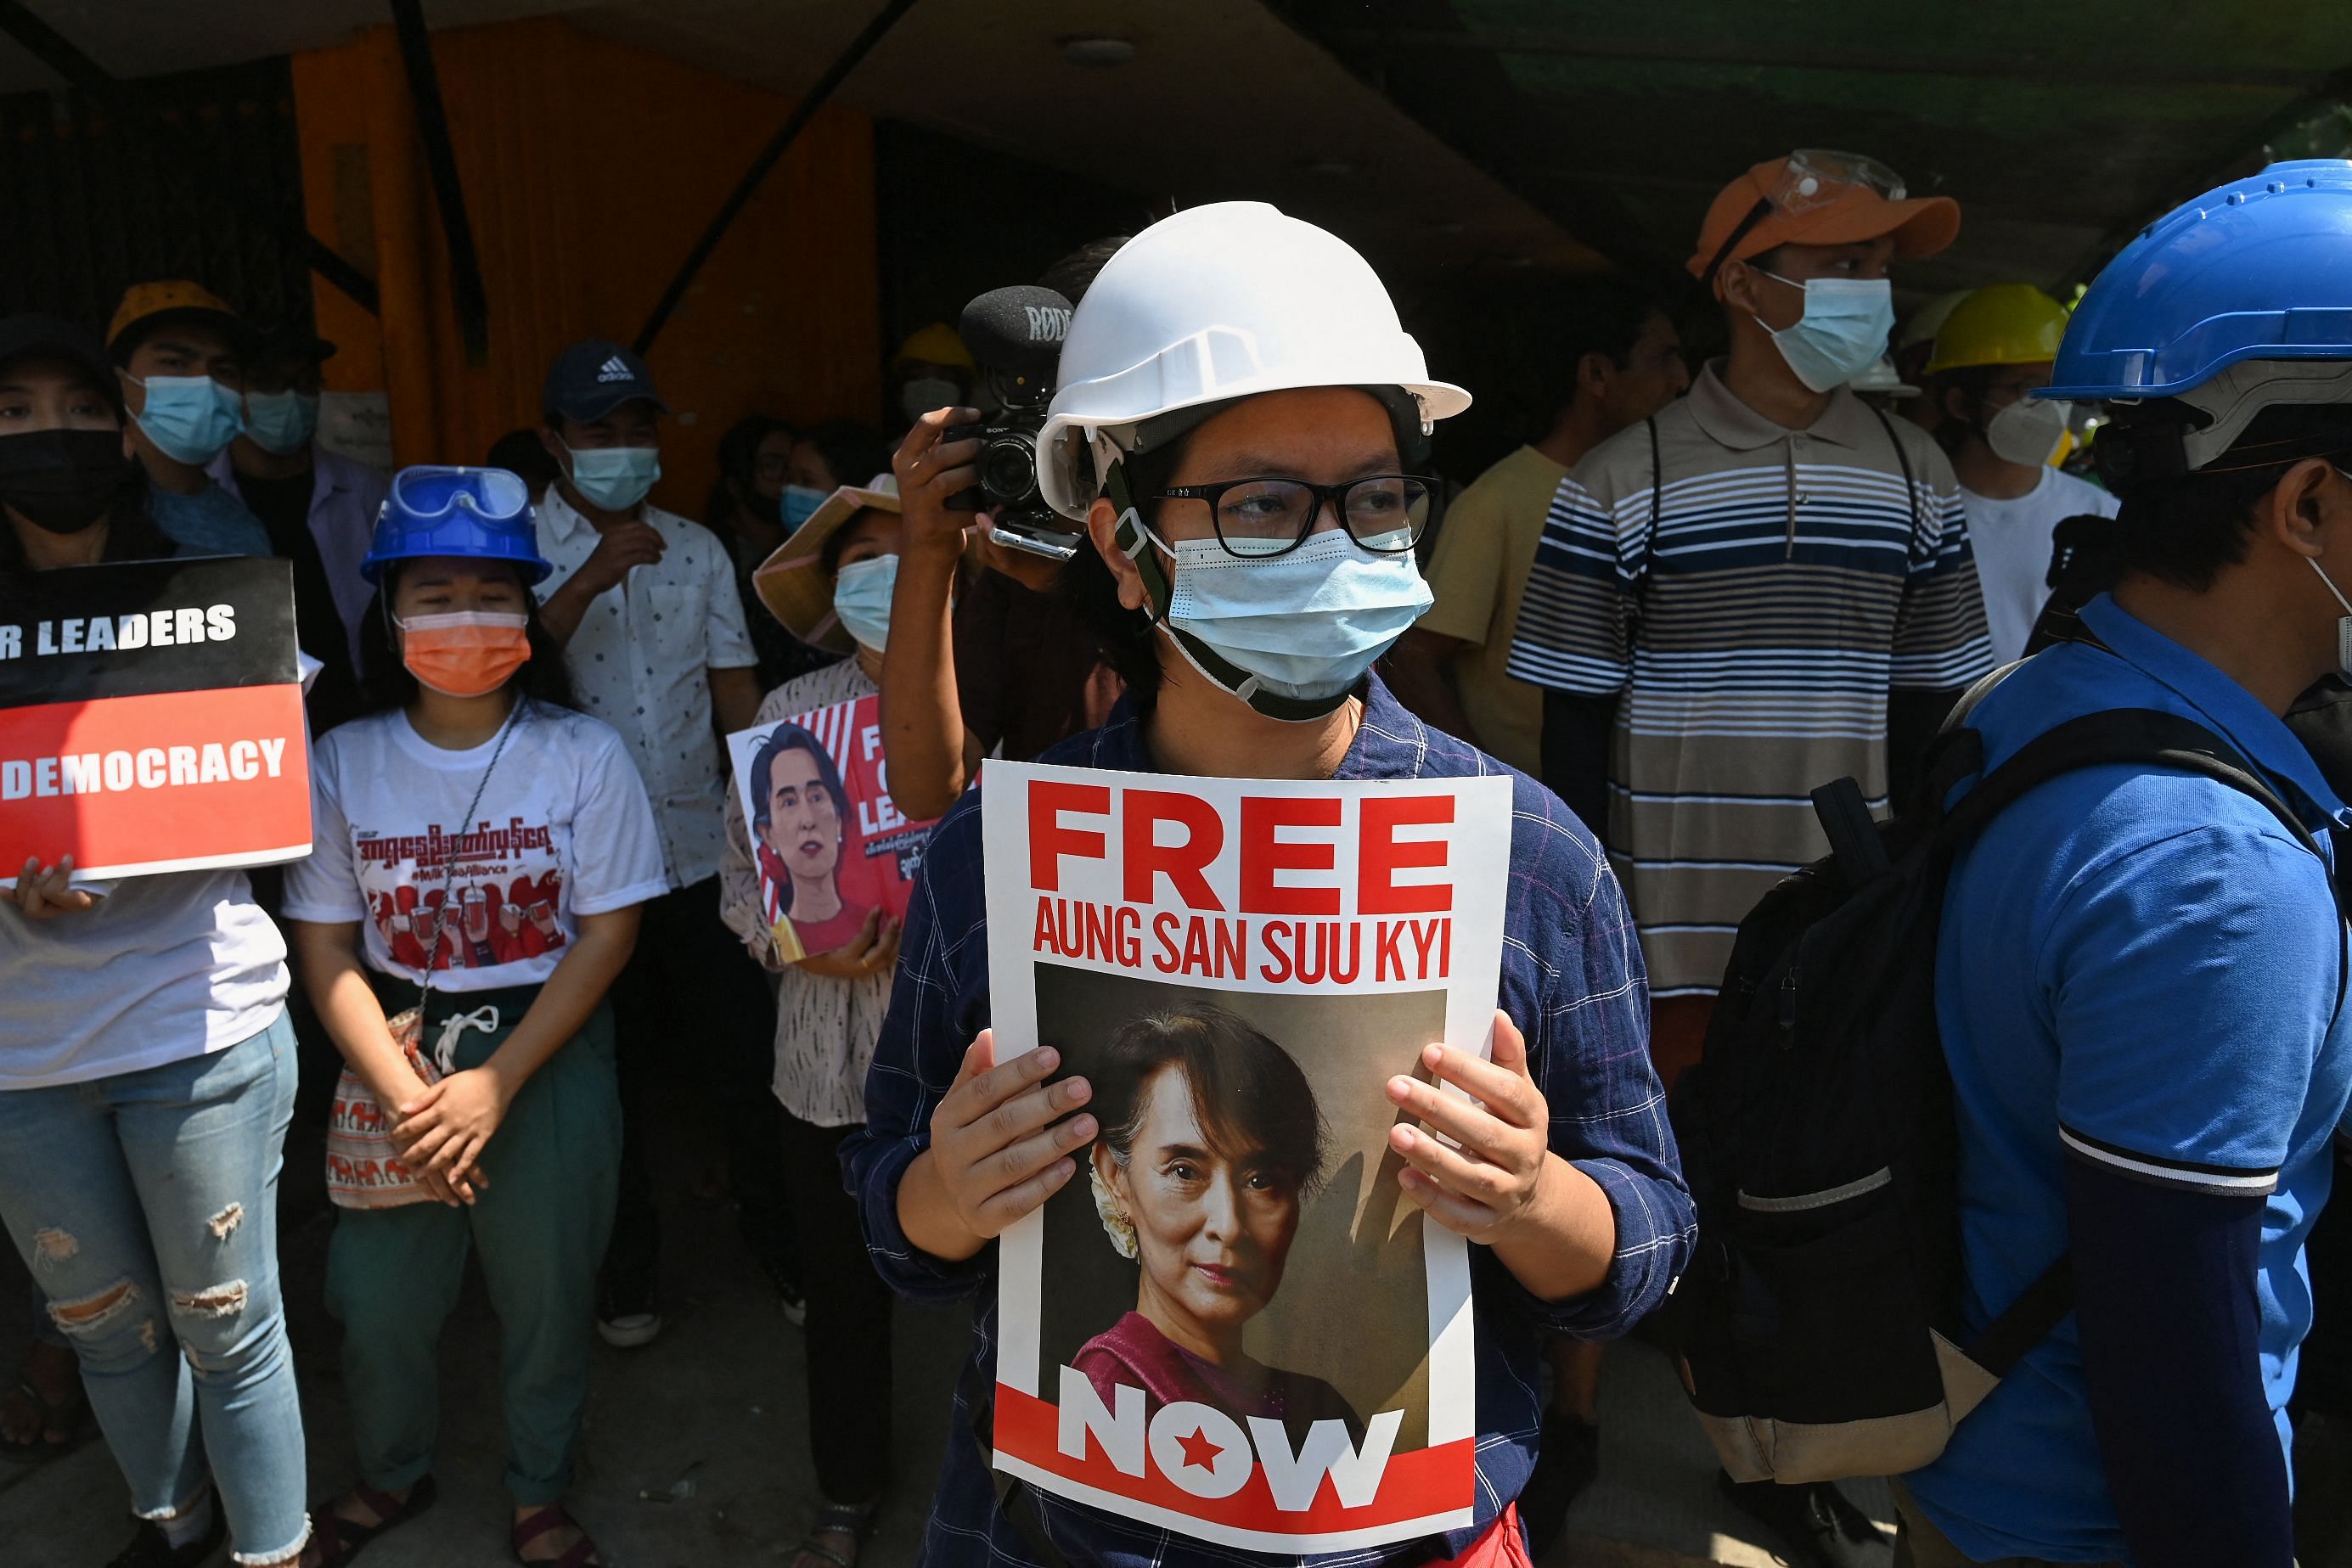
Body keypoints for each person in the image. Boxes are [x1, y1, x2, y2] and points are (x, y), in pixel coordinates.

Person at [844, 200, 1693, 1566]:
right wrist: (945, 1188)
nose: (1329, 540)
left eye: (1370, 497)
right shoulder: (995, 856)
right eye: (1254, 505)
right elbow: (891, 1218)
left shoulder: (1526, 854)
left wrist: (1532, 1197)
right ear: (1121, 543)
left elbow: (1642, 1241)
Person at [1505, 151, 1987, 1568]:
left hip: (1836, 945)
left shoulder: (1918, 479)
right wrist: (1572, 943)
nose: (1871, 294)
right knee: (1613, 1192)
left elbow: (1935, 731)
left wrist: (1914, 926)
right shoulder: (1619, 482)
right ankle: (1567, 1434)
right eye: (1841, 262)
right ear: (1740, 283)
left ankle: (1775, 1458)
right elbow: (1572, 742)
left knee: (1804, 1215)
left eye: (1885, 265)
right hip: (1657, 934)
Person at [1898, 160, 2352, 1568]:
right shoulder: (2210, 872)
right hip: (2091, 1526)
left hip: (1969, 1479)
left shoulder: (2050, 689)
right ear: (2311, 505)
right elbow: (2178, 1351)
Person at [283, 466, 665, 1568]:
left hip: (545, 1045)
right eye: (434, 591)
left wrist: (496, 1082)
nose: (464, 616)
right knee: (377, 1298)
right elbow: (325, 947)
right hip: (393, 1047)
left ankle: (539, 1490)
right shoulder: (342, 761)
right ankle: (391, 1470)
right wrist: (408, 1096)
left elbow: (607, 934)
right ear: (389, 609)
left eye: (491, 591)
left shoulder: (582, 754)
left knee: (549, 1291)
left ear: (527, 608)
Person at [0, 312, 308, 1568]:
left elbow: (268, 770)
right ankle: (168, 1527)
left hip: (201, 1021)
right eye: (13, 412)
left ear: (120, 428)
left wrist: (178, 815)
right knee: (105, 1328)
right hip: (25, 1058)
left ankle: (271, 1547)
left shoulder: (212, 582)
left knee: (226, 1325)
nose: (51, 436)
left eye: (76, 407)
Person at [527, 337, 785, 1346]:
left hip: (695, 852)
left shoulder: (699, 547)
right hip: (576, 874)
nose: (624, 449)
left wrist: (776, 829)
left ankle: (783, 1247)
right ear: (555, 441)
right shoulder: (513, 543)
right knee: (605, 1086)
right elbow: (494, 672)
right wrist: (586, 578)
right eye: (600, 432)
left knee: (747, 1063)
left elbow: (734, 694)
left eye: (640, 430)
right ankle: (624, 1276)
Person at [719, 474, 906, 1568]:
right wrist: (799, 941)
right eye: (858, 561)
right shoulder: (788, 719)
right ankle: (846, 1498)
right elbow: (740, 879)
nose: (880, 576)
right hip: (823, 1057)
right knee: (842, 1294)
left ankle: (1014, 1490)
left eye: (902, 553)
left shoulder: (991, 706)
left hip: (971, 1055)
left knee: (996, 1287)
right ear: (833, 592)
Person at [1385, 275, 1689, 778]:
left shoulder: (1664, 489)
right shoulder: (1497, 501)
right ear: (1596, 374)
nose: (1683, 380)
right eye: (1662, 358)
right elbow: (1416, 660)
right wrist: (1496, 786)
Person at [882, 238, 1134, 821]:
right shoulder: (1015, 571)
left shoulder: (1226, 540)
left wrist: (1080, 591)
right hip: (1057, 902)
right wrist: (927, 545)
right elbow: (926, 787)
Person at [1074, 1003, 1359, 1443]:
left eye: (1260, 1181)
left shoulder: (1318, 1407)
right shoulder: (1111, 1390)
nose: (1228, 1226)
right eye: (1185, 1172)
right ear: (1118, 1178)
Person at [1925, 284, 2119, 661]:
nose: (2050, 406)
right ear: (1961, 402)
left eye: (2057, 387)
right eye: (2030, 388)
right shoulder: (1921, 513)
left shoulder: (2098, 517)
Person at [210, 327, 388, 732]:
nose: (289, 399)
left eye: (304, 384)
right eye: (269, 383)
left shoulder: (362, 488)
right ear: (234, 390)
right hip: (250, 722)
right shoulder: (205, 493)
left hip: (356, 712)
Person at [105, 281, 270, 559]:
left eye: (224, 369)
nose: (204, 381)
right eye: (174, 362)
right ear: (120, 379)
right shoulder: (86, 516)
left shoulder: (244, 529)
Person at [747, 723, 875, 959]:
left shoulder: (879, 920)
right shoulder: (783, 938)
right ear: (768, 834)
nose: (808, 820)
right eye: (789, 802)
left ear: (838, 819)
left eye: (816, 797)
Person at [888, 323, 975, 433]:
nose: (929, 390)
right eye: (918, 376)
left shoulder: (982, 446)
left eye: (943, 376)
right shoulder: (884, 449)